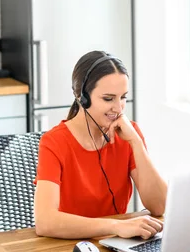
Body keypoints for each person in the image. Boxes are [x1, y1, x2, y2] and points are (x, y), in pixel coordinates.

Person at [34, 50, 167, 240]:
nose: (118, 108)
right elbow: (45, 222)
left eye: (123, 97)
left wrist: (136, 142)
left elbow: (159, 206)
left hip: (117, 246)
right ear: (82, 97)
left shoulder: (129, 135)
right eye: (108, 98)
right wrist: (115, 226)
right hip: (69, 248)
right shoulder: (53, 143)